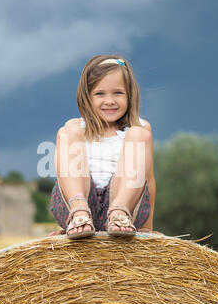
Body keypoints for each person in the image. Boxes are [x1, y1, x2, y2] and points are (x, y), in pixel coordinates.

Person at [48, 54, 162, 239]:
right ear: (87, 97)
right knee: (68, 130)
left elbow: (149, 181)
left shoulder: (139, 128)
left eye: (118, 93)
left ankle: (118, 213)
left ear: (130, 95)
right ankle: (78, 215)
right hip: (79, 203)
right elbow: (64, 176)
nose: (109, 101)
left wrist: (147, 228)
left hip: (126, 209)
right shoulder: (78, 128)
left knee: (139, 133)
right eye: (100, 94)